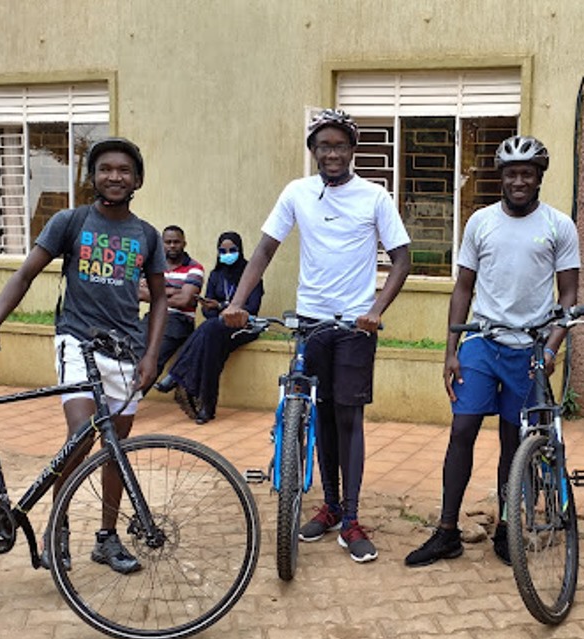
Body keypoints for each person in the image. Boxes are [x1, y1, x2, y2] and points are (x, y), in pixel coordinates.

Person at [0, 137, 166, 575]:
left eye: (124, 170)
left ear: (137, 180)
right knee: (82, 435)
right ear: (92, 177)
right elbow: (24, 275)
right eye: (105, 169)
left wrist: (152, 356)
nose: (115, 176)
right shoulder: (70, 222)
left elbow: (160, 301)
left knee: (116, 447)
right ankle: (58, 529)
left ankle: (106, 538)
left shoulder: (147, 235)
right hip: (77, 341)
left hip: (127, 351)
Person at [222, 109, 411, 564]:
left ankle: (351, 518)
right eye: (323, 145)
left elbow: (402, 259)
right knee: (320, 416)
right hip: (311, 322)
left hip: (354, 327)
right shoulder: (297, 193)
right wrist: (238, 302)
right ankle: (328, 506)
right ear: (313, 151)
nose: (331, 153)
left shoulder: (374, 197)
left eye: (339, 145)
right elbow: (266, 248)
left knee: (349, 420)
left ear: (352, 151)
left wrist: (375, 311)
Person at [404, 135, 580, 568]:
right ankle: (446, 531)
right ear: (500, 177)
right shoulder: (480, 222)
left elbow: (570, 293)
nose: (519, 180)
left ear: (539, 178)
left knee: (511, 442)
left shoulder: (559, 226)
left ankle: (507, 529)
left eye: (527, 173)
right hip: (482, 341)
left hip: (530, 348)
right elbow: (462, 288)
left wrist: (552, 347)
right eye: (511, 173)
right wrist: (451, 349)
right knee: (461, 430)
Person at [156, 231, 264, 424]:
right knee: (211, 345)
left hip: (245, 327)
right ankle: (206, 406)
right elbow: (207, 312)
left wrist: (222, 307)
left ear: (240, 250)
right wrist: (212, 309)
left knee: (210, 329)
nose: (227, 253)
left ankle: (178, 377)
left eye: (232, 250)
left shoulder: (251, 276)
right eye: (223, 250)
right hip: (218, 329)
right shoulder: (216, 275)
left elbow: (252, 308)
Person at [139, 225, 204, 380]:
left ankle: (134, 398)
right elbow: (138, 293)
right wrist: (170, 291)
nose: (172, 246)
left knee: (154, 358)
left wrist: (155, 293)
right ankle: (126, 398)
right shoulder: (153, 267)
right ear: (162, 244)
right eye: (168, 242)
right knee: (133, 353)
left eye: (176, 242)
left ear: (184, 243)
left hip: (179, 322)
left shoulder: (195, 268)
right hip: (152, 317)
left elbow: (184, 300)